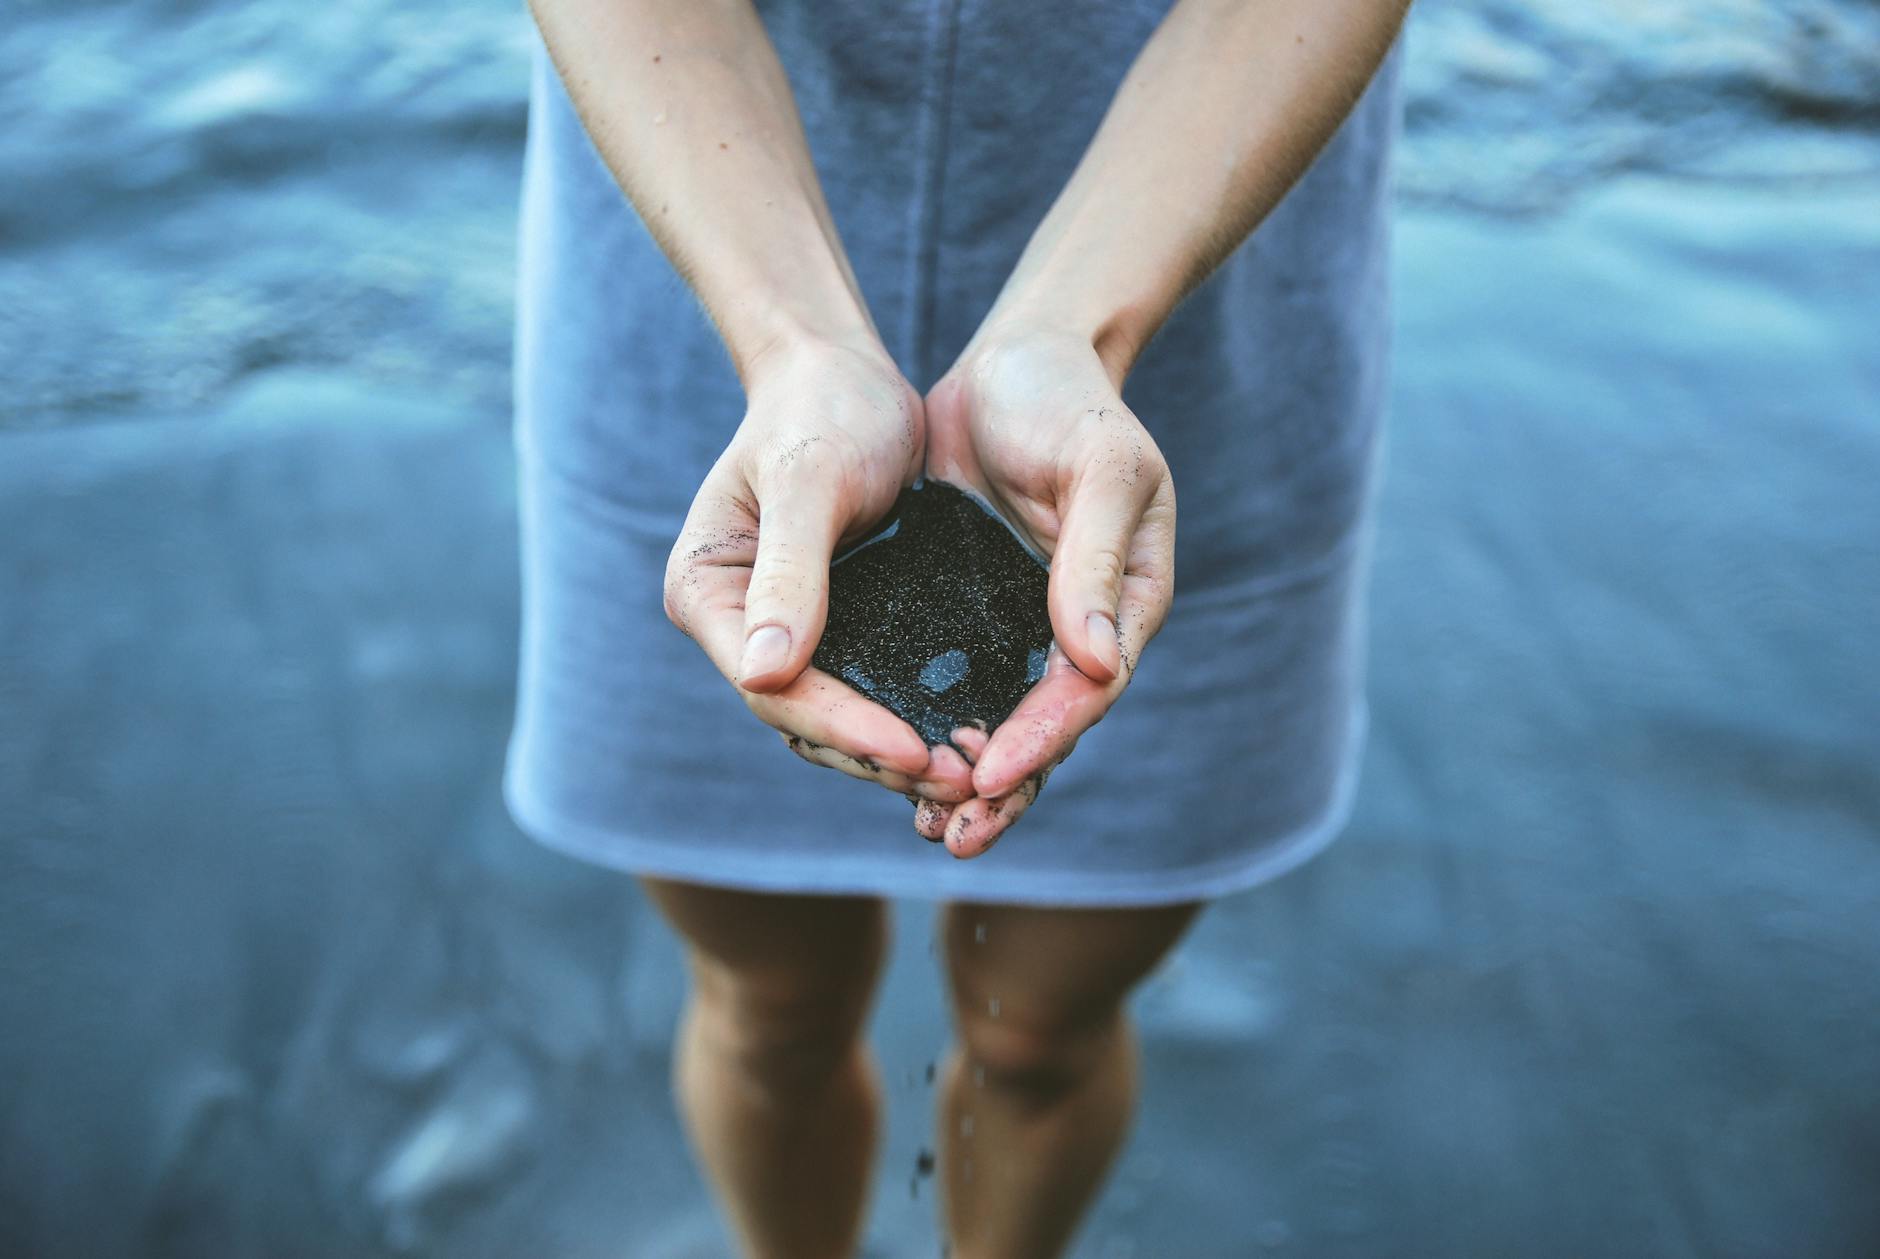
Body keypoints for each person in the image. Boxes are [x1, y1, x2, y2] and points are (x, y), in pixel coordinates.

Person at [504, 1, 1407, 1255]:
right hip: (704, 273)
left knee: (1041, 1030)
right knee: (768, 999)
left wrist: (1075, 329)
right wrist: (792, 347)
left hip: (1195, 295)